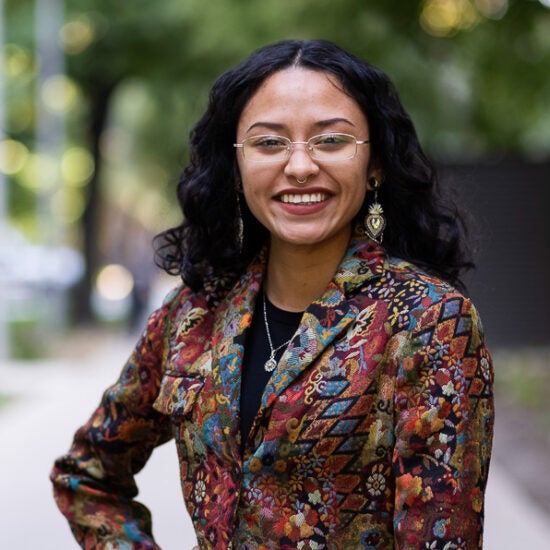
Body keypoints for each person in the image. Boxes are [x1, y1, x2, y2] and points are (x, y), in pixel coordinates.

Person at [51, 39, 494, 549]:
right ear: (237, 170)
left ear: (375, 165)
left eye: (331, 141)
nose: (301, 166)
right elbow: (86, 474)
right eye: (269, 143)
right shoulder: (193, 315)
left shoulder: (428, 321)